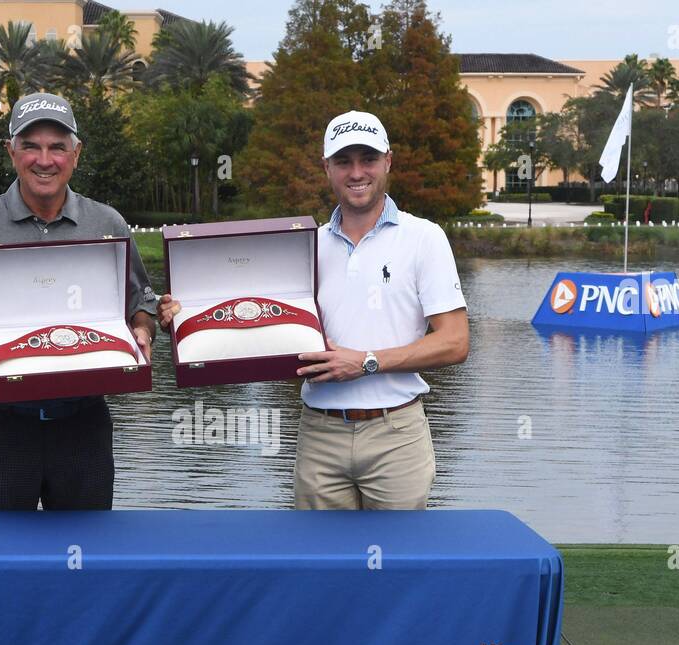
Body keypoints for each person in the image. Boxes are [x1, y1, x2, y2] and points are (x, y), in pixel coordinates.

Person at [158, 110, 469, 509]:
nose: (357, 172)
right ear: (327, 168)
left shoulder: (425, 238)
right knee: (324, 569)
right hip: (319, 434)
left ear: (388, 161)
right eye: (343, 161)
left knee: (397, 567)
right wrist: (185, 317)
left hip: (397, 433)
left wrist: (367, 361)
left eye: (368, 159)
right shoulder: (304, 246)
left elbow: (455, 342)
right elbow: (249, 316)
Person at [0, 92, 159, 511]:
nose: (44, 159)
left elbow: (140, 303)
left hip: (82, 427)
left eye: (57, 146)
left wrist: (143, 328)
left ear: (76, 153)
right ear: (11, 152)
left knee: (85, 561)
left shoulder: (107, 223)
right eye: (31, 146)